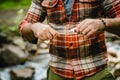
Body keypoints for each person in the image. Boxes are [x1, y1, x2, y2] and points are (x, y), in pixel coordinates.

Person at [19, 0, 120, 80]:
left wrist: (103, 23)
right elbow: (24, 28)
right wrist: (35, 27)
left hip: (97, 73)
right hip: (56, 74)